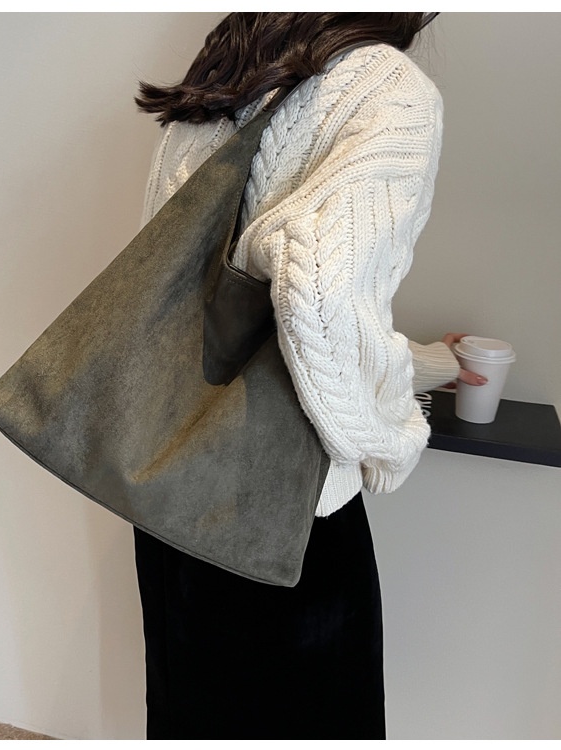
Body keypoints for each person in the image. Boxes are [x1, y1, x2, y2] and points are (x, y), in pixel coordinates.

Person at [131, 13, 485, 740]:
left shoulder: (226, 73)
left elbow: (212, 304)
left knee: (188, 715)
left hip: (169, 488)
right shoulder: (390, 89)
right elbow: (317, 296)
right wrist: (390, 442)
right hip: (286, 517)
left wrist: (428, 362)